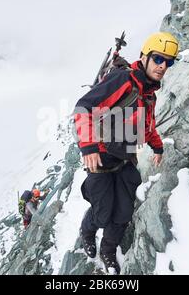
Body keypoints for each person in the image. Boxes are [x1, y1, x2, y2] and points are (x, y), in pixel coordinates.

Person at [73, 32, 179, 274]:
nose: (163, 66)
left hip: (124, 159)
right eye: (158, 59)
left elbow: (146, 126)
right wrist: (88, 146)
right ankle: (87, 231)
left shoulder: (148, 93)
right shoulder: (124, 81)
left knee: (122, 215)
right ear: (144, 57)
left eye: (169, 62)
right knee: (102, 215)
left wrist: (158, 146)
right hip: (99, 159)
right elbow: (83, 107)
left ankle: (108, 252)